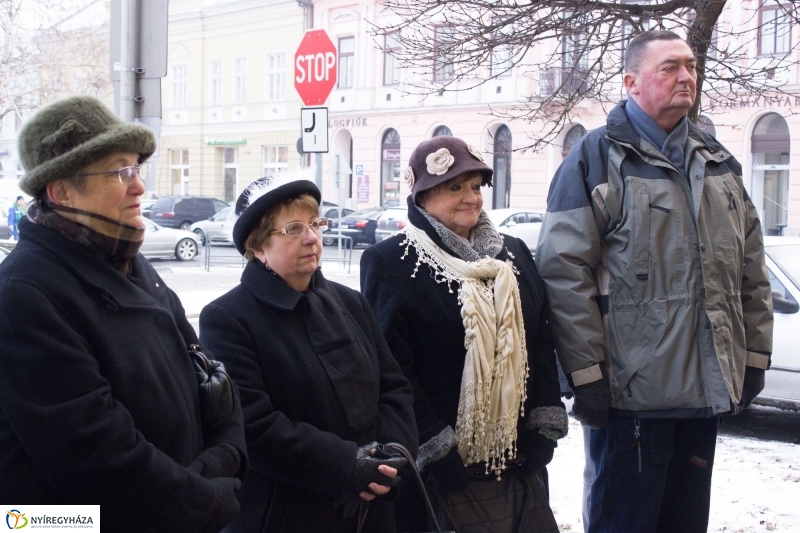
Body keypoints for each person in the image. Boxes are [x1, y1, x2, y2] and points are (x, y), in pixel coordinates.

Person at [536, 30, 774, 533]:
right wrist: (585, 376)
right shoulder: (595, 159)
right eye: (669, 67)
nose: (686, 75)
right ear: (631, 81)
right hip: (630, 401)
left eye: (689, 65)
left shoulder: (718, 161)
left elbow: (750, 269)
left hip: (703, 395)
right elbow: (563, 275)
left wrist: (752, 357)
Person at [0, 95, 247, 532]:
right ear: (60, 190)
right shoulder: (26, 292)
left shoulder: (132, 264)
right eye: (119, 171)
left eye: (136, 168)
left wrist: (226, 454)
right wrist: (201, 500)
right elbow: (93, 456)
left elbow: (208, 372)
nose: (139, 187)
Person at [361, 136, 568, 533]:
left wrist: (543, 425)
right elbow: (392, 369)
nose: (471, 197)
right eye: (455, 187)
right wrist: (434, 449)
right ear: (423, 195)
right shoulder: (391, 262)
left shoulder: (514, 254)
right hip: (441, 471)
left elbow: (539, 340)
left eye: (475, 186)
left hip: (517, 458)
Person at [199, 175, 418, 533]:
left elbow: (393, 386)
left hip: (372, 507)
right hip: (290, 511)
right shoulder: (227, 318)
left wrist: (391, 457)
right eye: (293, 229)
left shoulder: (350, 302)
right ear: (258, 247)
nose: (313, 237)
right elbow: (253, 424)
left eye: (315, 224)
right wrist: (347, 465)